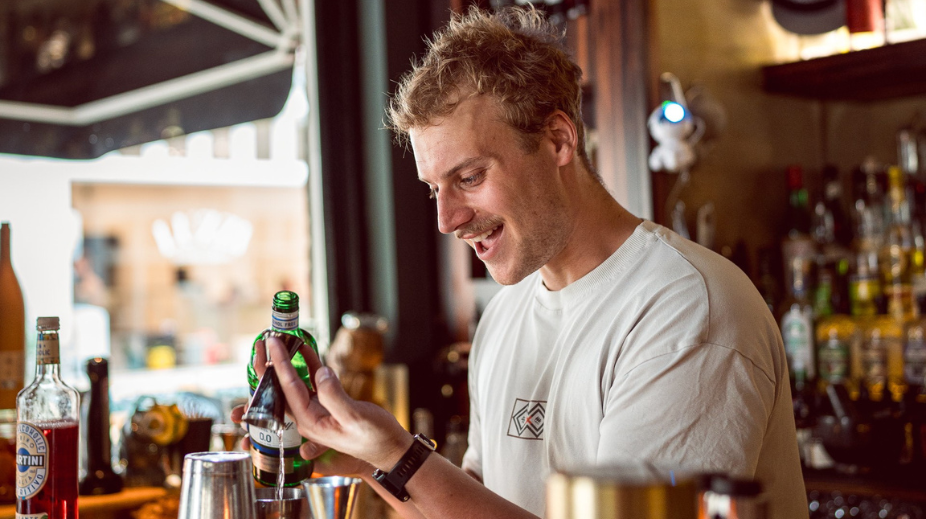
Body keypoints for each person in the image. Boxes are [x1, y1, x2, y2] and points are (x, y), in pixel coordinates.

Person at [234, 6, 808, 519]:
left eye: (470, 177)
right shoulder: (506, 315)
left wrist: (399, 456)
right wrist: (366, 460)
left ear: (559, 140)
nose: (447, 220)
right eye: (434, 188)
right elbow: (470, 505)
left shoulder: (685, 309)